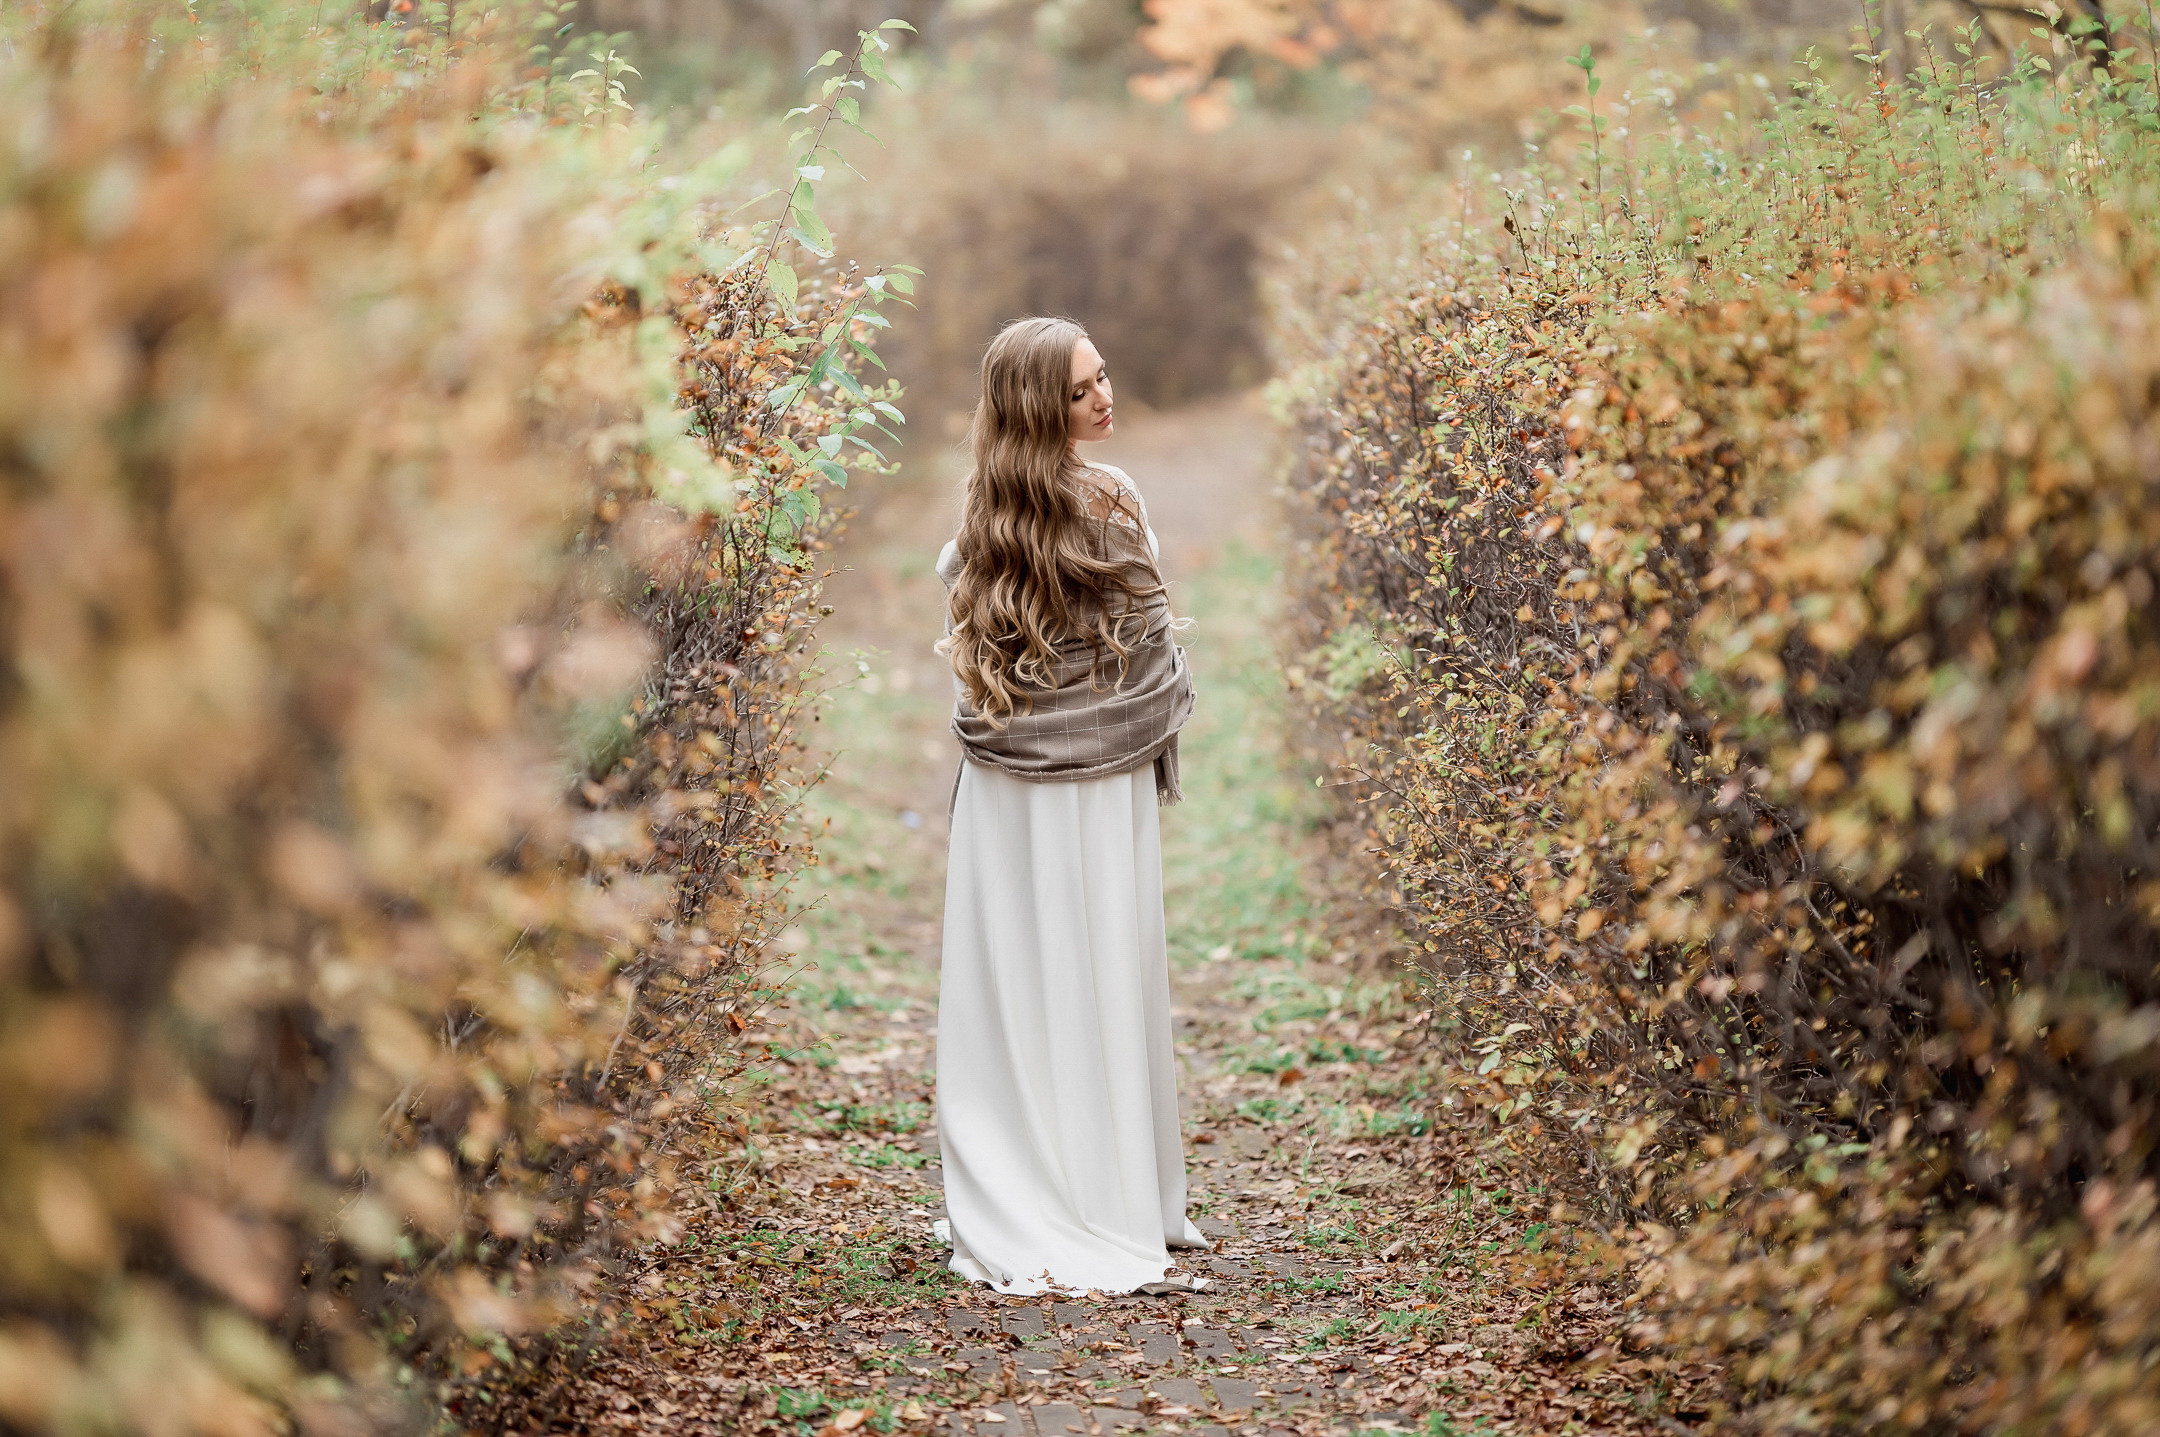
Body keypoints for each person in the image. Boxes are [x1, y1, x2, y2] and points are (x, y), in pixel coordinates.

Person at [930, 316, 1210, 1295]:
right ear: (1037, 409)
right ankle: (1111, 1191)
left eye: (1103, 377)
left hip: (1007, 782)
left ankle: (1031, 1181)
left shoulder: (983, 519)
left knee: (1021, 981)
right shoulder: (1115, 499)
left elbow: (961, 614)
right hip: (1103, 779)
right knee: (1096, 966)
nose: (1102, 398)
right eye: (1080, 389)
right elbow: (1148, 634)